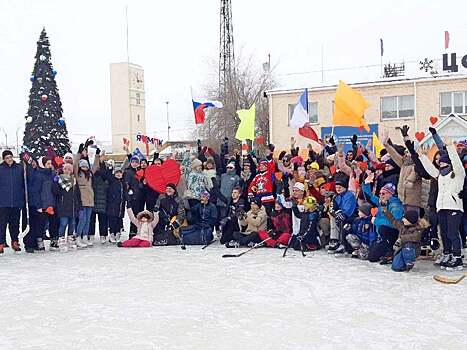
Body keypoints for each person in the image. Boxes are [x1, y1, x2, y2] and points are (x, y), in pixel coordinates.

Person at [419, 138, 465, 270]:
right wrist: (422, 156)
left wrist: (450, 147)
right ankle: (448, 254)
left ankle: (457, 258)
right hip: (442, 207)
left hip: (454, 207)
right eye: (441, 164)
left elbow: (457, 162)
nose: (442, 165)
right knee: (444, 233)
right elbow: (430, 169)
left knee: (452, 233)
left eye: (445, 163)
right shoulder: (440, 175)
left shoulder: (458, 174)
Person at [362, 175, 404, 263]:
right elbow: (370, 197)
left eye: (383, 193)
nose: (381, 195)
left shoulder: (395, 205)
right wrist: (365, 184)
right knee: (371, 256)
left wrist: (376, 221)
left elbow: (395, 223)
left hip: (391, 234)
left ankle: (390, 252)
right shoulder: (382, 201)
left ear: (391, 194)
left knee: (372, 257)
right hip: (381, 235)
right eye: (380, 193)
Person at [25, 156, 55, 253]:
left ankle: (38, 242)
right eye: (48, 164)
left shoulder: (52, 174)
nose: (50, 165)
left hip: (50, 204)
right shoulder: (38, 175)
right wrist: (38, 206)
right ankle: (30, 243)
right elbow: (35, 192)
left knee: (45, 225)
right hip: (40, 205)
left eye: (51, 163)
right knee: (37, 225)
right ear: (43, 164)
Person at [381, 207, 424, 272]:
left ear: (410, 220)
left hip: (412, 250)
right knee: (396, 267)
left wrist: (401, 238)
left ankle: (409, 262)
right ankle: (399, 260)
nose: (403, 219)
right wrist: (386, 212)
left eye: (405, 218)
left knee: (408, 244)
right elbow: (393, 221)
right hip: (401, 248)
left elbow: (415, 237)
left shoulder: (418, 229)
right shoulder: (402, 226)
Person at [73, 144, 100, 248]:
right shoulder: (78, 174)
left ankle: (85, 236)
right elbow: (75, 164)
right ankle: (78, 237)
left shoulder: (90, 175)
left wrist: (97, 155)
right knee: (82, 219)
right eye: (83, 166)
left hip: (90, 200)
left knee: (88, 220)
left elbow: (95, 166)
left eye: (86, 166)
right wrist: (79, 153)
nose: (84, 168)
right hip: (81, 201)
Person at [0, 150, 25, 254]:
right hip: (2, 202)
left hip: (16, 201)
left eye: (10, 157)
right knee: (2, 224)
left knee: (15, 224)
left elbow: (24, 184)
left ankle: (15, 241)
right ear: (3, 159)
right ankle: (1, 243)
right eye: (6, 158)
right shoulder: (0, 169)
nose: (9, 159)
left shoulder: (19, 168)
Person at [53, 163, 81, 251]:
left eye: (69, 169)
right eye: (65, 169)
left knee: (72, 224)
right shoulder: (59, 180)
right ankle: (61, 240)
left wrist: (79, 206)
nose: (67, 171)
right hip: (63, 206)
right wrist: (55, 183)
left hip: (72, 207)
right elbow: (55, 192)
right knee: (63, 223)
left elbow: (78, 195)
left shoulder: (74, 181)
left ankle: (70, 240)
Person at [328, 175, 357, 253]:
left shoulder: (350, 195)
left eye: (340, 187)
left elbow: (349, 209)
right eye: (337, 188)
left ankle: (342, 243)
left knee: (341, 220)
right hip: (341, 214)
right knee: (333, 218)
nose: (338, 189)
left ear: (345, 187)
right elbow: (332, 208)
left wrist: (343, 214)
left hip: (352, 215)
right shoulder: (336, 197)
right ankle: (334, 240)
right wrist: (334, 212)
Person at [104, 166, 126, 244]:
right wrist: (110, 169)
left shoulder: (123, 182)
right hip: (112, 204)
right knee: (112, 219)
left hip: (121, 204)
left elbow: (125, 193)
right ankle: (112, 233)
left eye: (120, 172)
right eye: (117, 173)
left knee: (119, 219)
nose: (119, 174)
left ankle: (117, 233)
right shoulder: (112, 181)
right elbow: (108, 175)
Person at [89, 157, 109, 244]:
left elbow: (104, 172)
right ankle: (91, 235)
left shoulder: (104, 177)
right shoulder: (90, 177)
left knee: (103, 221)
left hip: (102, 201)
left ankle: (103, 235)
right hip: (92, 201)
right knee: (91, 221)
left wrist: (101, 162)